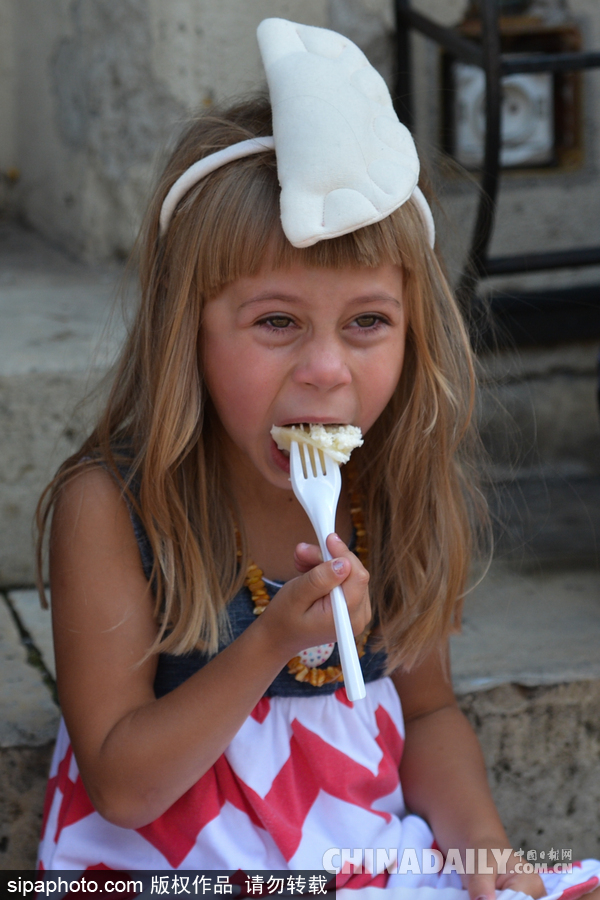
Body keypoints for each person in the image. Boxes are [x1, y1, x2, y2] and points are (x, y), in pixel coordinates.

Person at [36, 17, 600, 899]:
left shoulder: (390, 492)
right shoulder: (115, 509)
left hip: (359, 856)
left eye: (367, 322)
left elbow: (431, 710)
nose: (327, 369)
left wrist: (487, 852)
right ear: (186, 336)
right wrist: (269, 645)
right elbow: (122, 786)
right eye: (276, 322)